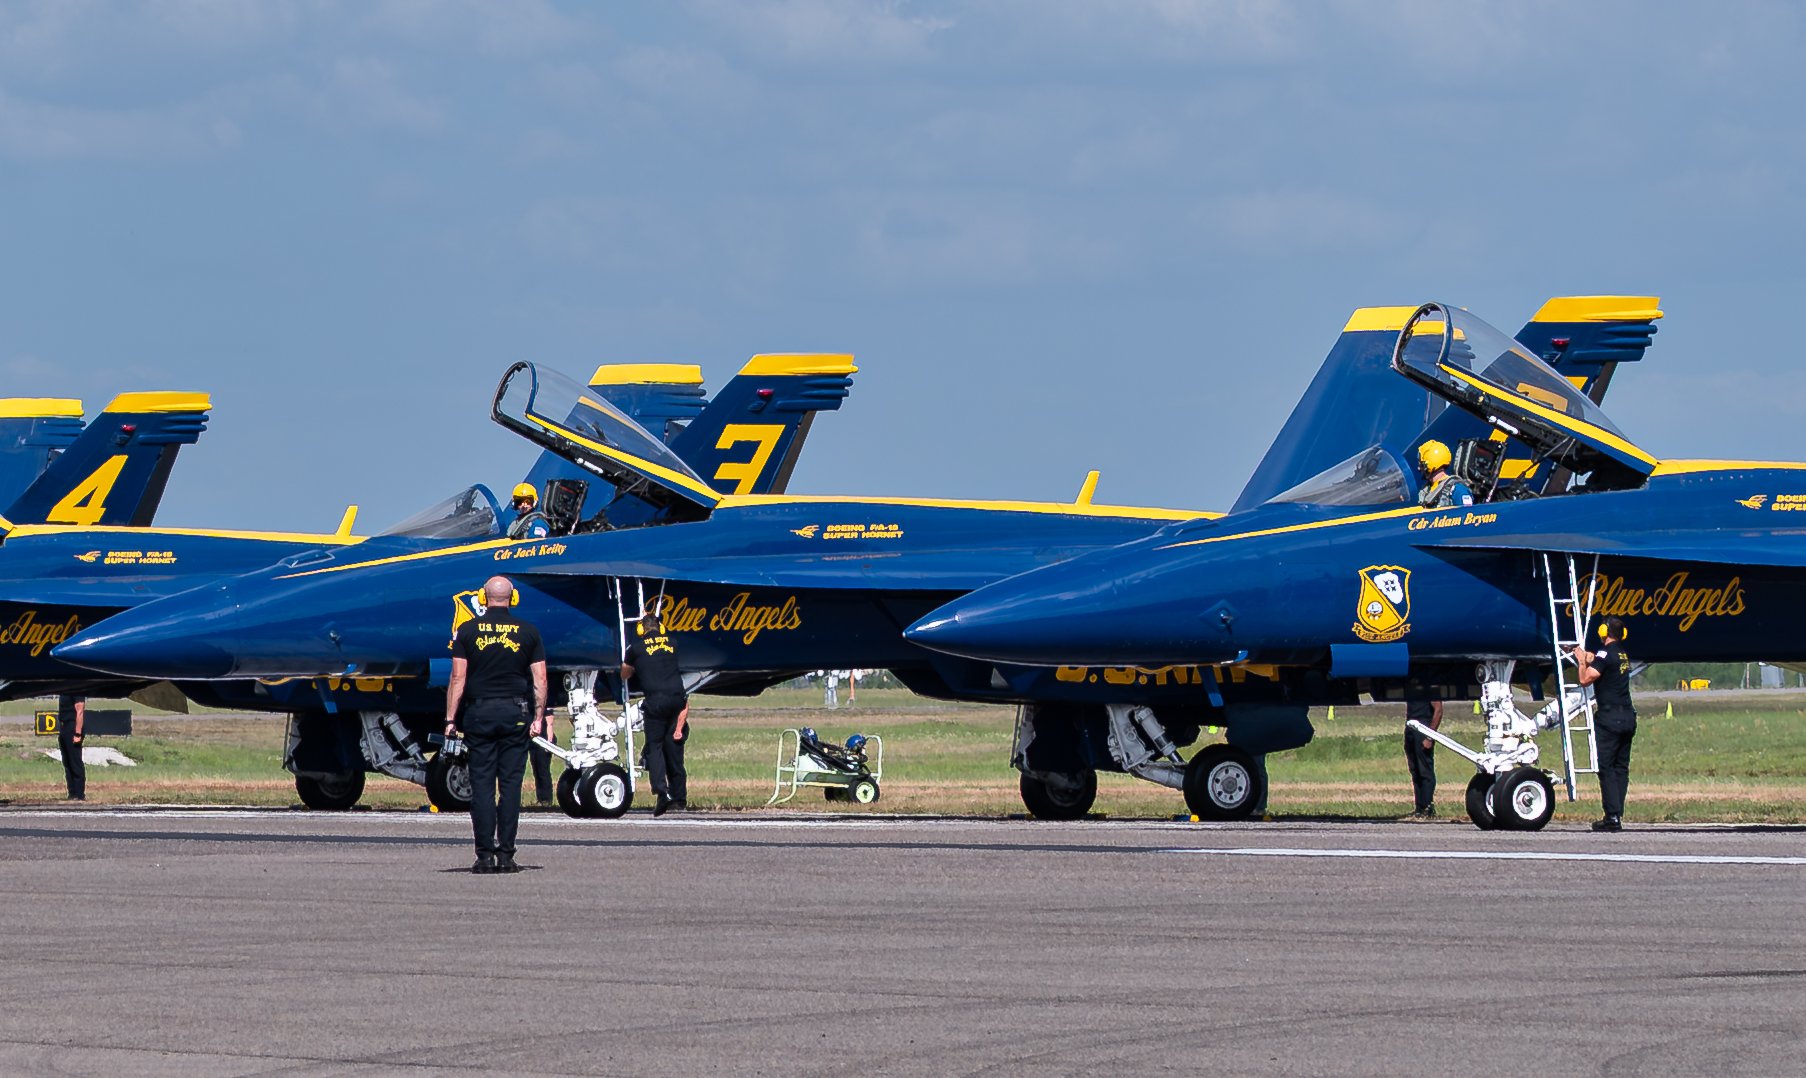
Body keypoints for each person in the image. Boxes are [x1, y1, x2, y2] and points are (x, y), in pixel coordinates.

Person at [444, 575, 548, 873]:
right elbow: (540, 680)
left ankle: (484, 856)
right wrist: (538, 718)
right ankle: (506, 855)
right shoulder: (528, 632)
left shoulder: (467, 631)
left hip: (480, 715)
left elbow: (457, 678)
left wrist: (451, 719)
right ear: (512, 598)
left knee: (482, 787)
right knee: (511, 786)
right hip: (516, 714)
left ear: (482, 597)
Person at [621, 608, 688, 816]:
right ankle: (679, 797)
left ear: (641, 629)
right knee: (674, 748)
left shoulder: (636, 648)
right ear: (661, 627)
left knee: (655, 747)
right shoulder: (672, 643)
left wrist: (634, 667)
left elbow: (624, 674)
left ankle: (661, 791)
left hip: (656, 701)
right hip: (677, 700)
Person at [1576, 616, 1635, 832]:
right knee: (1621, 767)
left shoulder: (1604, 654)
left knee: (1607, 767)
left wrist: (1582, 660)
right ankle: (1617, 812)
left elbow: (1585, 680)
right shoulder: (1622, 654)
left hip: (1610, 718)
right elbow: (1605, 662)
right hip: (1628, 716)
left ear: (1603, 631)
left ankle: (1611, 816)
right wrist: (1592, 658)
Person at [1403, 688, 1440, 817]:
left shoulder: (1430, 687)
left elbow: (1438, 710)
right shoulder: (1410, 686)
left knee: (1425, 770)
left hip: (1423, 728)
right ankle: (1419, 807)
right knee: (1415, 771)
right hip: (1410, 727)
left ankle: (1428, 806)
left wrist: (1430, 736)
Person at [1415, 440, 1474, 509]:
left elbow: (1467, 515)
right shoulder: (1426, 490)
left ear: (1430, 465)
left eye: (1422, 465)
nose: (1419, 468)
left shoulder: (1457, 489)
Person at [56, 693, 86, 801]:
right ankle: (72, 793)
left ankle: (79, 794)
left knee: (75, 762)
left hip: (72, 727)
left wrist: (77, 733)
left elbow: (80, 710)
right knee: (67, 763)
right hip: (64, 726)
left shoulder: (77, 689)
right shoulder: (64, 689)